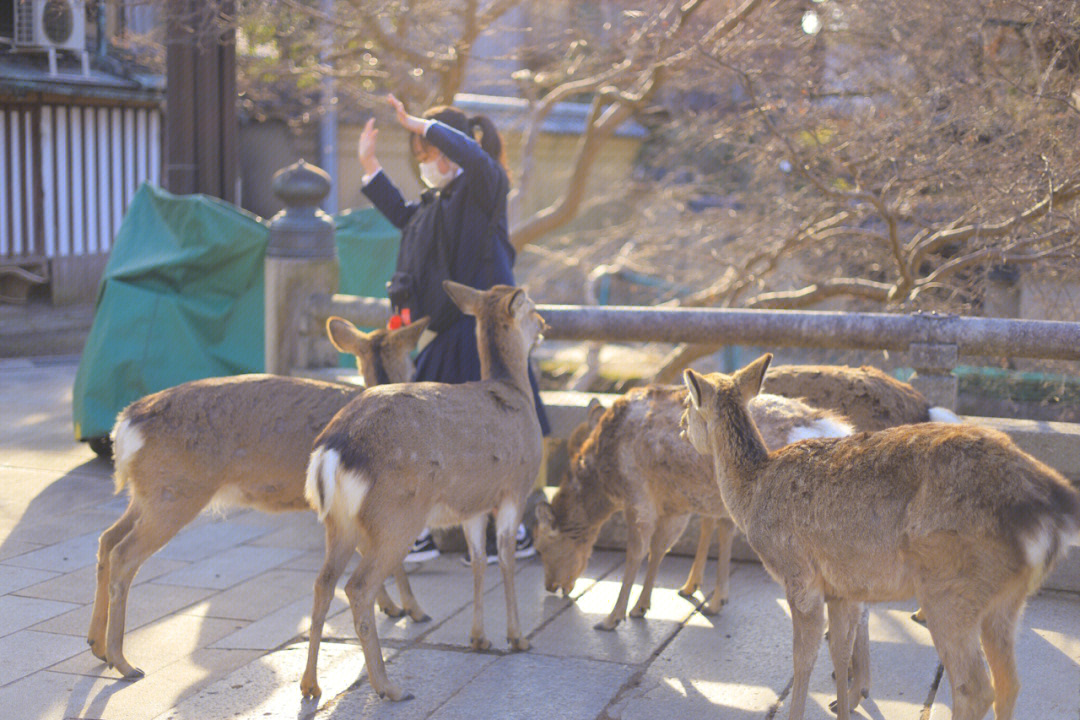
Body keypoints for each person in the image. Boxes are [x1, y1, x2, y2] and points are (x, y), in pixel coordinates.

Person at [358, 93, 550, 565]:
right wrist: (368, 165)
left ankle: (502, 532)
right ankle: (417, 530)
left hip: (486, 338)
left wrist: (423, 124)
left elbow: (474, 157)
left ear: (452, 150)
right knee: (423, 430)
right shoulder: (436, 204)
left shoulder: (486, 187)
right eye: (422, 154)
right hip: (449, 337)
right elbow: (406, 217)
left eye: (429, 152)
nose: (425, 161)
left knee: (495, 434)